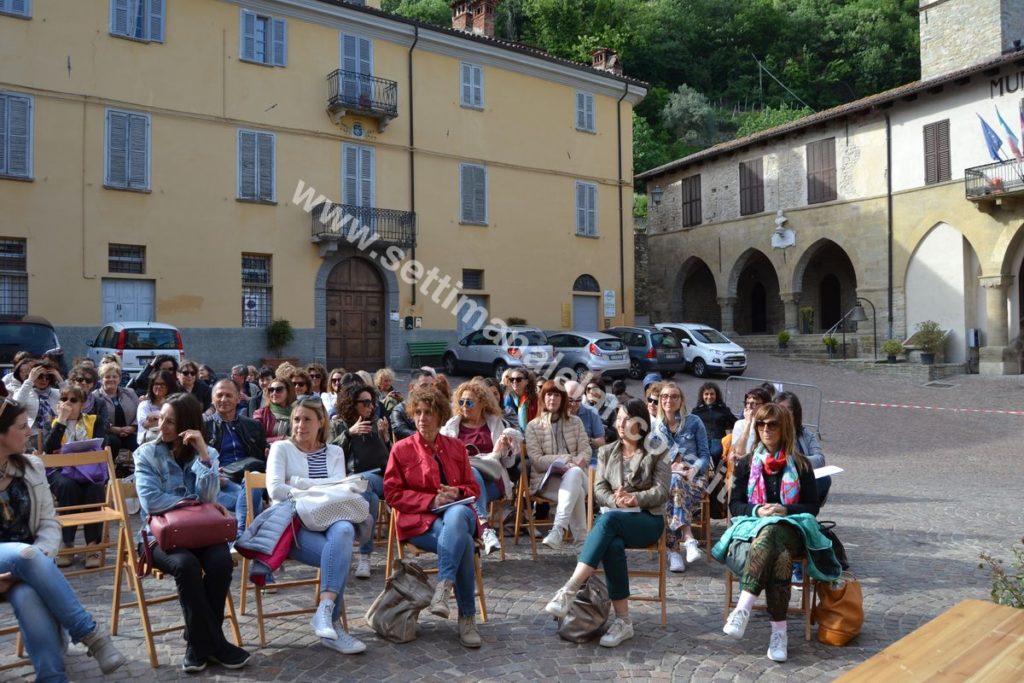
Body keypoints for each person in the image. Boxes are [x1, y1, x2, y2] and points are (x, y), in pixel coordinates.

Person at [0, 398, 127, 681]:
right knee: (26, 556)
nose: (30, 432)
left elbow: (48, 523)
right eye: (22, 427)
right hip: (11, 560)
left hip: (32, 565)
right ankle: (91, 635)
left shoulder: (31, 466)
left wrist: (44, 555)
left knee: (29, 592)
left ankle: (52, 678)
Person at [133, 392, 251, 673]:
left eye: (170, 422)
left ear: (187, 424)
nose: (162, 426)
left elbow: (210, 496)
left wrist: (202, 454)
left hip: (201, 533)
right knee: (186, 566)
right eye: (161, 418)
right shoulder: (146, 453)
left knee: (221, 561)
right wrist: (195, 503)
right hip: (161, 536)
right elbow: (151, 501)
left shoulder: (207, 453)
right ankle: (216, 644)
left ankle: (196, 644)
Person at [544, 399, 670, 648]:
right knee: (611, 543)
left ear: (641, 423)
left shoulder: (658, 451)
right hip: (615, 517)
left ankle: (570, 588)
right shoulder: (606, 452)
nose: (621, 424)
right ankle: (624, 621)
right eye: (619, 419)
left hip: (646, 520)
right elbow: (599, 489)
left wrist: (635, 497)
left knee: (608, 520)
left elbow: (662, 490)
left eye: (627, 419)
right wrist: (615, 499)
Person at [720, 403, 826, 663]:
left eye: (772, 424)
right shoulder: (746, 464)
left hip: (793, 528)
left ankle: (743, 607)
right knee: (778, 555)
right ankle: (780, 633)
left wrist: (785, 509)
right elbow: (735, 505)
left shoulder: (800, 465)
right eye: (761, 424)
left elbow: (813, 506)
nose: (766, 429)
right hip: (756, 531)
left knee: (774, 531)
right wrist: (758, 510)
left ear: (784, 428)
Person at [266, 398, 369, 655]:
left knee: (344, 531)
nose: (300, 425)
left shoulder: (334, 452)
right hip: (293, 524)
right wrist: (315, 487)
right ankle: (332, 625)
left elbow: (338, 492)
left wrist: (299, 483)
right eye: (296, 419)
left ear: (321, 422)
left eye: (307, 419)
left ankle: (324, 613)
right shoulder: (282, 449)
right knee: (339, 553)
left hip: (329, 519)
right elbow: (276, 489)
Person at [384, 386, 483, 648]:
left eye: (428, 413)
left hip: (458, 515)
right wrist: (430, 500)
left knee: (459, 513)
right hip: (420, 521)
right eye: (417, 412)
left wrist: (456, 491)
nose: (422, 418)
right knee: (461, 543)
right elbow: (392, 494)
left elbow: (473, 489)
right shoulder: (401, 449)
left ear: (440, 416)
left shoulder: (456, 447)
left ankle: (444, 587)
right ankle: (467, 618)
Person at [440, 379, 515, 556]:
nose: (465, 406)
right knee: (470, 486)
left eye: (470, 402)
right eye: (461, 401)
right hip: (460, 483)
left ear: (482, 403)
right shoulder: (450, 427)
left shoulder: (497, 424)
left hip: (493, 480)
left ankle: (477, 539)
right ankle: (485, 532)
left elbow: (509, 464)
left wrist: (506, 449)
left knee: (469, 485)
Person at [43, 385, 107, 568]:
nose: (67, 404)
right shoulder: (52, 423)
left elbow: (103, 445)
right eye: (63, 399)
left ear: (83, 404)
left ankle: (92, 545)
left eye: (73, 400)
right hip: (61, 471)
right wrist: (62, 420)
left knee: (95, 488)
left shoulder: (95, 421)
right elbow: (49, 448)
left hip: (89, 471)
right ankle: (67, 542)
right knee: (67, 486)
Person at [331, 382, 390, 578]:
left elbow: (389, 459)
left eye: (372, 402)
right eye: (365, 402)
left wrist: (385, 437)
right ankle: (365, 556)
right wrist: (349, 433)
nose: (370, 406)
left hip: (380, 478)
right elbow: (329, 453)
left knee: (365, 483)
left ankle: (356, 551)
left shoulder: (377, 423)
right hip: (350, 482)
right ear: (351, 404)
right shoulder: (339, 424)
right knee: (370, 498)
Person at [651, 381, 710, 573]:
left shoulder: (694, 422)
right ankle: (688, 537)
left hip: (695, 478)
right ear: (660, 400)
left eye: (674, 396)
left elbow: (704, 455)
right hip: (670, 478)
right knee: (673, 482)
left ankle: (674, 551)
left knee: (672, 488)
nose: (669, 400)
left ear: (681, 400)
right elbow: (653, 461)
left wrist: (692, 469)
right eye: (665, 396)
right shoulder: (655, 429)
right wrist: (671, 467)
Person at [525, 380, 591, 549]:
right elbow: (537, 461)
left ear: (563, 399)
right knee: (577, 491)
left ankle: (558, 529)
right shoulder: (533, 426)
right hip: (546, 480)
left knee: (575, 474)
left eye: (556, 395)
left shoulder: (575, 422)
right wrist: (567, 459)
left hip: (577, 474)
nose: (552, 399)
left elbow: (586, 450)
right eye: (549, 394)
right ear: (543, 397)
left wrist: (579, 460)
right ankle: (582, 548)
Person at [202, 379, 269, 535]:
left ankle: (239, 535)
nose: (223, 400)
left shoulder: (253, 425)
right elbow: (194, 460)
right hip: (220, 481)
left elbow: (262, 457)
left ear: (238, 398)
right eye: (219, 395)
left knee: (254, 478)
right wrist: (212, 473)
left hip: (248, 479)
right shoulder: (203, 426)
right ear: (212, 399)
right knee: (253, 501)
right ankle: (246, 534)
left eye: (228, 395)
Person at [775, 392, 829, 504]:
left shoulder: (806, 435)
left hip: (802, 476)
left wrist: (795, 459)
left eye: (789, 409)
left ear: (795, 412)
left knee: (824, 479)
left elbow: (820, 459)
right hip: (778, 479)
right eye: (780, 408)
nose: (784, 412)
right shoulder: (769, 432)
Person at [92, 360, 140, 476]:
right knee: (113, 442)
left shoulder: (130, 392)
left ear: (119, 378)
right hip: (109, 433)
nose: (111, 379)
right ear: (101, 379)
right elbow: (95, 418)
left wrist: (133, 427)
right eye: (107, 377)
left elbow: (140, 411)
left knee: (141, 445)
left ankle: (140, 474)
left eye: (115, 376)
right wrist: (113, 429)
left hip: (130, 431)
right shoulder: (95, 396)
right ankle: (108, 474)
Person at [691, 381, 736, 470]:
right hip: (703, 438)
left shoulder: (723, 409)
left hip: (718, 438)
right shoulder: (696, 411)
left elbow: (735, 423)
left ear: (716, 395)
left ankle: (718, 473)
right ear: (702, 396)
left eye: (712, 394)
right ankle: (703, 473)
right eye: (706, 394)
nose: (709, 397)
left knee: (716, 452)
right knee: (699, 454)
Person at [564, 380, 606, 464]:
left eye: (578, 400)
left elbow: (602, 441)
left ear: (582, 397)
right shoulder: (559, 413)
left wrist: (587, 440)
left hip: (589, 457)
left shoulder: (592, 412)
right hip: (565, 458)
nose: (573, 404)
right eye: (570, 400)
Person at [136, 370, 179, 445]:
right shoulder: (144, 405)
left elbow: (180, 422)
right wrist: (169, 420)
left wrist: (156, 417)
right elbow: (146, 425)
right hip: (148, 439)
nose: (159, 387)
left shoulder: (175, 404)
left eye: (163, 384)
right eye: (156, 384)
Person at [390, 369, 436, 440]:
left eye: (432, 385)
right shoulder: (400, 410)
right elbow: (400, 431)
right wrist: (427, 435)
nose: (429, 389)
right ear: (412, 387)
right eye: (424, 385)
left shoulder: (438, 406)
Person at [730, 387, 772, 458]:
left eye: (753, 404)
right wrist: (748, 424)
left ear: (765, 406)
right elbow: (738, 453)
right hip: (743, 466)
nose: (749, 407)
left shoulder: (770, 424)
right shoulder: (739, 424)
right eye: (747, 403)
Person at [253, 377, 294, 443]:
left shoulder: (298, 411)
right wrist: (283, 438)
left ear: (289, 391)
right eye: (271, 390)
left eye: (279, 389)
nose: (274, 393)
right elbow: (257, 439)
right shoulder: (260, 413)